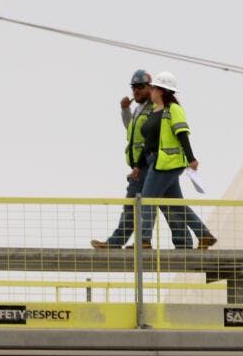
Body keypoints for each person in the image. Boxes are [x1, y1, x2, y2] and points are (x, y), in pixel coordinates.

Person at [137, 71, 217, 249]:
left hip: (166, 163)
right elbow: (149, 142)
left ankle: (143, 240)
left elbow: (182, 133)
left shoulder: (174, 109)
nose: (151, 91)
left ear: (161, 91)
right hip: (157, 163)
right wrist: (138, 166)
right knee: (177, 206)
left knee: (148, 199)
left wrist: (191, 158)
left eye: (154, 88)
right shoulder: (155, 111)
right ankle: (204, 235)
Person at [90, 69, 154, 248]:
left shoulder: (153, 108)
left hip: (147, 164)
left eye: (140, 87)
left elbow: (151, 138)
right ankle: (187, 241)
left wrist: (140, 165)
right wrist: (125, 109)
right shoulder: (138, 110)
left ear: (150, 87)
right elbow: (130, 129)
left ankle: (128, 242)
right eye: (134, 87)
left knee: (141, 205)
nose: (136, 91)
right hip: (140, 165)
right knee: (157, 205)